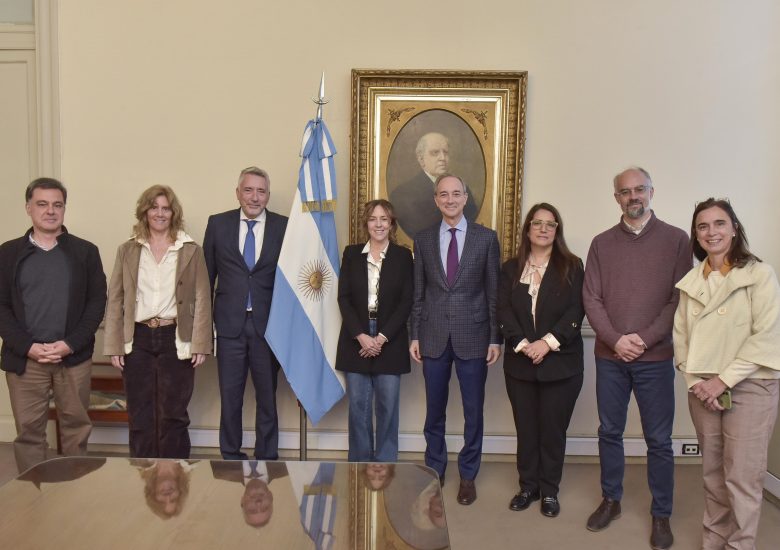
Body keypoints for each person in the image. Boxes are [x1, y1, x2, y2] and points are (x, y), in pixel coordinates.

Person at [583, 167, 691, 549]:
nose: (633, 197)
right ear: (616, 198)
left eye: (639, 190)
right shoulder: (601, 243)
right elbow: (591, 298)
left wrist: (642, 340)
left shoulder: (678, 241)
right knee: (609, 432)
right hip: (610, 359)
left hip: (655, 358)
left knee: (659, 440)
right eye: (625, 192)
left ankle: (661, 514)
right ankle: (610, 500)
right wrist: (616, 340)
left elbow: (678, 299)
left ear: (651, 192)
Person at [673, 198, 780, 549]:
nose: (711, 232)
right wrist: (698, 383)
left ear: (734, 228)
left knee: (742, 476)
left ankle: (740, 544)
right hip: (703, 389)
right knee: (713, 475)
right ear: (696, 234)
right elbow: (681, 339)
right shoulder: (691, 282)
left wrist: (722, 381)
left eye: (719, 223)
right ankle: (714, 539)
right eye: (703, 226)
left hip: (751, 386)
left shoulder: (759, 274)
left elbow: (766, 337)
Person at [0, 177, 106, 473]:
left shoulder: (85, 252)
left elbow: (97, 303)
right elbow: (1, 307)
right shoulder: (7, 253)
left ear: (64, 209)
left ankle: (73, 496)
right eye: (42, 204)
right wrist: (29, 347)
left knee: (76, 428)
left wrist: (70, 344)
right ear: (28, 208)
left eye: (57, 204)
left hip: (72, 358)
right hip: (25, 359)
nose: (50, 211)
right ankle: (33, 497)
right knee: (29, 433)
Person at [409, 173, 501, 506]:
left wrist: (495, 338)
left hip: (475, 337)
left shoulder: (486, 238)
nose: (450, 199)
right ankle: (435, 468)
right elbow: (419, 292)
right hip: (432, 336)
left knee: (473, 410)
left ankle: (468, 475)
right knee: (434, 410)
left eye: (456, 194)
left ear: (465, 198)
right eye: (443, 194)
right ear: (436, 199)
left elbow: (493, 293)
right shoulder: (422, 239)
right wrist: (414, 334)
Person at [104, 185, 212, 459]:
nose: (160, 213)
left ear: (173, 212)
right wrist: (114, 344)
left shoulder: (189, 250)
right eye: (154, 207)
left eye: (166, 208)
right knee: (140, 415)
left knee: (173, 415)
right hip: (137, 338)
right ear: (145, 211)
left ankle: (175, 481)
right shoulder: (127, 250)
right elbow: (115, 298)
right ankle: (143, 479)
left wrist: (200, 343)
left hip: (175, 337)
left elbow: (201, 297)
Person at [497, 203, 584, 518]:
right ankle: (527, 487)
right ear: (528, 229)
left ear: (557, 230)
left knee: (552, 431)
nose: (544, 229)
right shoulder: (510, 268)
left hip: (561, 364)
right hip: (520, 363)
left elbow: (576, 310)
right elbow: (503, 309)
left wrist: (546, 344)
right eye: (538, 223)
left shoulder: (572, 266)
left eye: (551, 224)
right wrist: (523, 344)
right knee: (527, 429)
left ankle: (550, 491)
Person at [203, 166, 288, 460]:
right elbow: (205, 279)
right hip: (229, 328)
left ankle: (267, 455)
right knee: (231, 396)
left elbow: (291, 282)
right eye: (249, 190)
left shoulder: (284, 227)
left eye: (261, 191)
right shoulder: (218, 224)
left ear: (268, 195)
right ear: (238, 193)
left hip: (268, 327)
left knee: (267, 397)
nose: (255, 197)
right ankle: (230, 454)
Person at [335, 199, 413, 463]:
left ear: (391, 224)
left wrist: (380, 338)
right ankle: (359, 465)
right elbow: (343, 298)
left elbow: (406, 302)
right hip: (356, 336)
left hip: (389, 337)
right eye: (373, 219)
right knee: (358, 407)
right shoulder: (351, 253)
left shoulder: (403, 256)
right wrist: (361, 336)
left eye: (384, 219)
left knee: (388, 407)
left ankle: (386, 465)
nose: (378, 224)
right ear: (366, 223)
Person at [390, 132, 478, 239]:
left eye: (445, 152)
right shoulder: (403, 194)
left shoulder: (462, 189)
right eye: (435, 153)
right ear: (421, 159)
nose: (443, 158)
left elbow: (472, 227)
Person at [210, 460, 289, 527]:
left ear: (242, 501)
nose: (258, 503)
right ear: (271, 497)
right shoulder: (287, 466)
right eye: (265, 507)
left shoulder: (220, 470)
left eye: (252, 510)